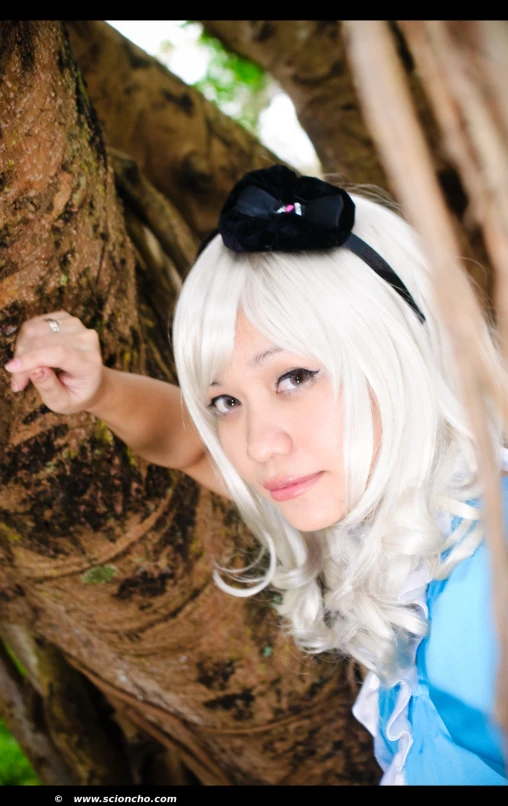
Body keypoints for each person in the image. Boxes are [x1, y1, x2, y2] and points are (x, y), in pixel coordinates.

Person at [4, 164, 508, 785]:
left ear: (397, 346)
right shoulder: (403, 515)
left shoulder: (490, 590)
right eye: (226, 402)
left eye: (295, 378)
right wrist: (99, 388)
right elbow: (190, 445)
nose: (259, 446)